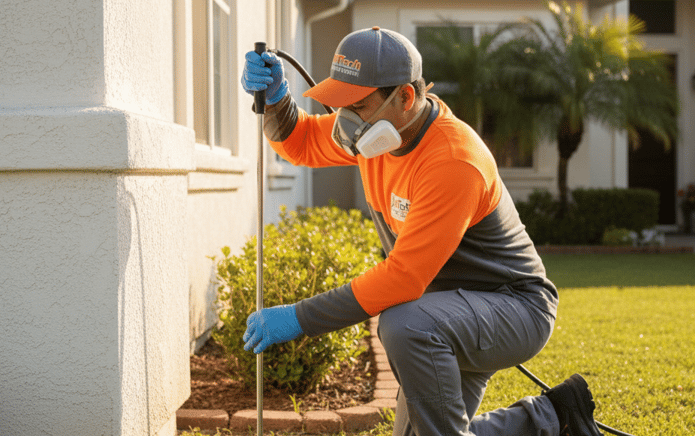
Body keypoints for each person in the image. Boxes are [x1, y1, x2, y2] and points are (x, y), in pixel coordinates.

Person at [240, 26, 602, 436]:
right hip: (443, 313)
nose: (344, 122)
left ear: (405, 97)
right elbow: (302, 142)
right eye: (338, 104)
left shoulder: (452, 160)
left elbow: (403, 278)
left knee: (402, 324)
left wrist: (298, 318)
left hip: (511, 308)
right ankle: (555, 417)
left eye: (355, 105)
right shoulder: (372, 135)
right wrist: (276, 102)